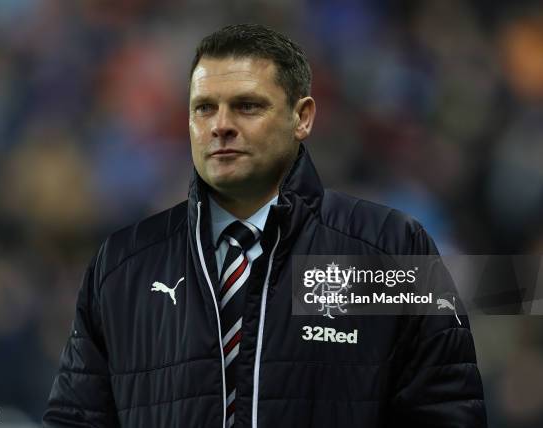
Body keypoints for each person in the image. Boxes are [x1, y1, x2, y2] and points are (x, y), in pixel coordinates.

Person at [43, 24, 487, 427]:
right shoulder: (124, 265)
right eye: (204, 109)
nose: (220, 126)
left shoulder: (390, 246)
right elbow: (76, 419)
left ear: (303, 117)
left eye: (247, 106)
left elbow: (446, 411)